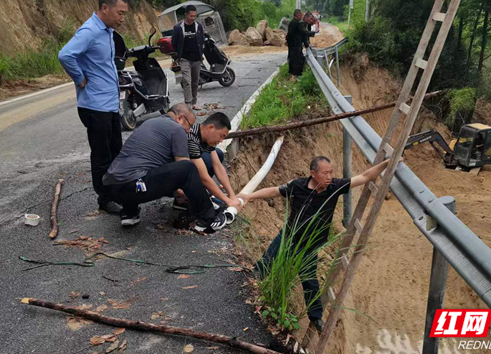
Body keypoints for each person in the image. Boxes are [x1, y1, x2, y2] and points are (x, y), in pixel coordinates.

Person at [237, 156, 397, 332]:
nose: (329, 176)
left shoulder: (335, 187)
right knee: (267, 262)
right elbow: (275, 191)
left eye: (331, 172)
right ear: (313, 174)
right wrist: (249, 196)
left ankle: (315, 318)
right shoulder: (297, 186)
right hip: (289, 236)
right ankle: (246, 291)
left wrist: (388, 162)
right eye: (325, 173)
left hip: (310, 245)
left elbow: (365, 176)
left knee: (309, 280)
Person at [102, 103, 228, 232]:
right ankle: (207, 219)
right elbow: (184, 171)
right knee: (188, 167)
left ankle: (129, 212)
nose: (189, 131)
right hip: (135, 185)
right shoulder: (177, 129)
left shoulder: (150, 123)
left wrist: (179, 192)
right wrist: (202, 195)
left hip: (111, 187)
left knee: (142, 167)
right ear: (180, 118)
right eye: (189, 126)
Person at [58, 0, 128, 215]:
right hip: (94, 105)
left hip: (108, 104)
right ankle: (105, 199)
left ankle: (118, 192)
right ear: (105, 8)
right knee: (101, 155)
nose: (122, 18)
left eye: (125, 14)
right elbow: (65, 55)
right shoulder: (89, 30)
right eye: (120, 13)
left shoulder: (107, 30)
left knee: (116, 150)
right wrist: (80, 79)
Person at [173, 112, 243, 215]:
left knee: (217, 154)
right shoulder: (191, 138)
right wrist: (228, 201)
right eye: (221, 136)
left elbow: (218, 166)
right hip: (171, 176)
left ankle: (196, 194)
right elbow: (204, 177)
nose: (221, 140)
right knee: (200, 165)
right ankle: (182, 197)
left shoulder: (206, 137)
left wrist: (232, 195)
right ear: (211, 127)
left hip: (188, 167)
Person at [171, 5, 205, 110]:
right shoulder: (178, 27)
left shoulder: (198, 26)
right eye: (191, 16)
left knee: (195, 82)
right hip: (184, 58)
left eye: (195, 16)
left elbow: (201, 39)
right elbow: (174, 42)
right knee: (187, 81)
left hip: (197, 59)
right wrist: (178, 54)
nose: (193, 18)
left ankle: (194, 102)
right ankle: (188, 104)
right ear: (186, 15)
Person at [286, 9, 315, 80]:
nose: (302, 16)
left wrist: (306, 44)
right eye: (301, 15)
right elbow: (292, 33)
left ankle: (295, 76)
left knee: (298, 60)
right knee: (294, 60)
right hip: (294, 45)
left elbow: (304, 36)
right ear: (298, 15)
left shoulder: (299, 23)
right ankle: (293, 76)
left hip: (296, 44)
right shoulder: (296, 23)